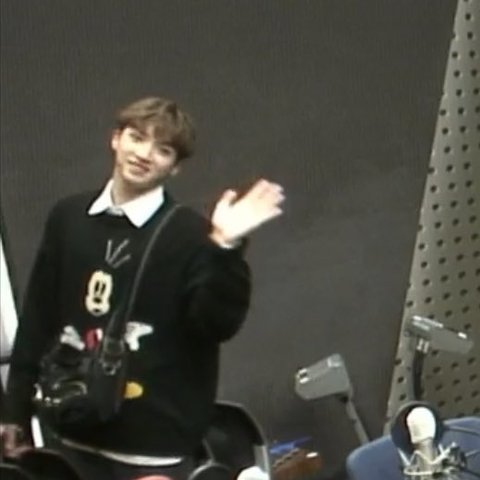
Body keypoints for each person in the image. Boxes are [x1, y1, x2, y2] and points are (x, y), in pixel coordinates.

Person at [0, 96, 285, 480]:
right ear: (115, 139)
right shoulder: (68, 218)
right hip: (69, 436)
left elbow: (217, 324)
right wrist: (14, 410)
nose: (144, 154)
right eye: (136, 138)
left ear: (175, 167)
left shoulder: (192, 235)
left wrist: (225, 248)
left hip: (151, 450)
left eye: (163, 149)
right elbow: (38, 317)